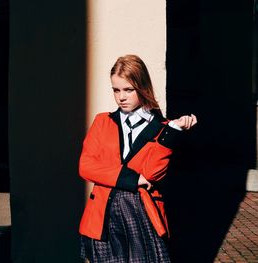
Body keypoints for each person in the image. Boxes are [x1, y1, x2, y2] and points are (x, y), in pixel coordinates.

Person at [78, 54, 197, 263]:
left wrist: (173, 130)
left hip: (140, 213)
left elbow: (151, 172)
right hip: (103, 216)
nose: (121, 97)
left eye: (128, 90)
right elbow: (86, 166)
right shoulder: (102, 122)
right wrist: (132, 179)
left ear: (142, 87)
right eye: (116, 90)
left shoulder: (161, 128)